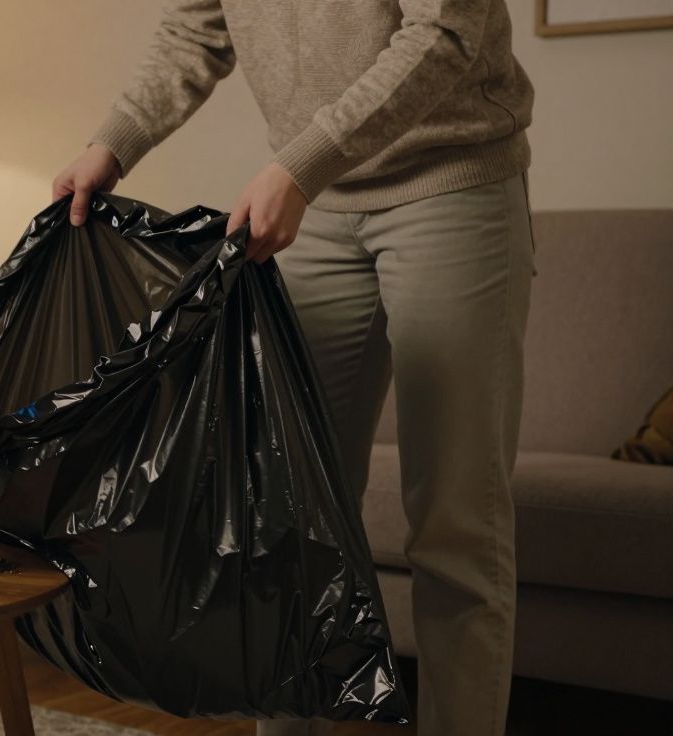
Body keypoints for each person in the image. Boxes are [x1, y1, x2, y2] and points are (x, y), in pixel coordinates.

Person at [52, 2, 535, 735]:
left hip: (449, 182)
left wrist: (300, 167)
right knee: (288, 523)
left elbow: (444, 30)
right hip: (320, 204)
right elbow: (194, 27)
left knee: (455, 527)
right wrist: (114, 143)